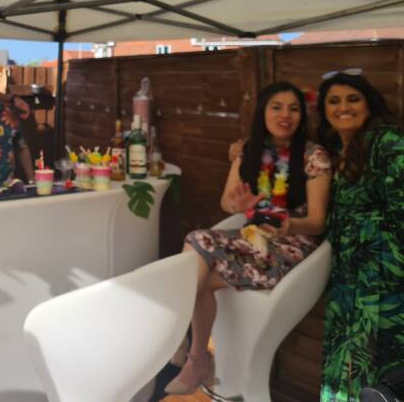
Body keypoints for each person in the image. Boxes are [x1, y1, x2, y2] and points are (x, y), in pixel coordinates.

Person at [165, 81, 331, 395]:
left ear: (302, 116)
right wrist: (239, 206)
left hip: (292, 248)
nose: (285, 115)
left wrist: (287, 225)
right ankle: (197, 357)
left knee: (199, 265)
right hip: (251, 240)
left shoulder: (314, 156)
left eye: (293, 109)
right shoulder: (248, 151)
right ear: (262, 112)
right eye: (276, 107)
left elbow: (317, 222)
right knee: (197, 242)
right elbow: (227, 202)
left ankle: (185, 347)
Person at [316, 72, 404, 401]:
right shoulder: (334, 151)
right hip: (347, 275)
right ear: (324, 110)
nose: (344, 107)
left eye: (353, 99)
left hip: (383, 272)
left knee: (379, 363)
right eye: (334, 101)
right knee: (346, 360)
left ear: (369, 104)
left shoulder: (386, 141)